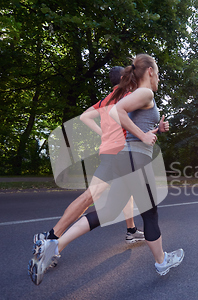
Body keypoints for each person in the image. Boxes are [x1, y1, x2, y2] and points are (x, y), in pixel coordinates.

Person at [29, 54, 183, 285]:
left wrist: (155, 129)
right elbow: (116, 114)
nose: (159, 78)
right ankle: (161, 261)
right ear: (150, 71)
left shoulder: (135, 96)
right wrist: (143, 134)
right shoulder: (145, 92)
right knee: (149, 214)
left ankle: (53, 246)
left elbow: (131, 127)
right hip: (135, 161)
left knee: (108, 211)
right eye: (158, 72)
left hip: (124, 159)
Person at [32, 66, 144, 247]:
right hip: (117, 154)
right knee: (90, 197)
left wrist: (103, 134)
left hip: (110, 152)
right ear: (124, 77)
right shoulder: (126, 97)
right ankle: (51, 236)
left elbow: (85, 117)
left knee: (126, 191)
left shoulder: (106, 100)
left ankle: (131, 230)